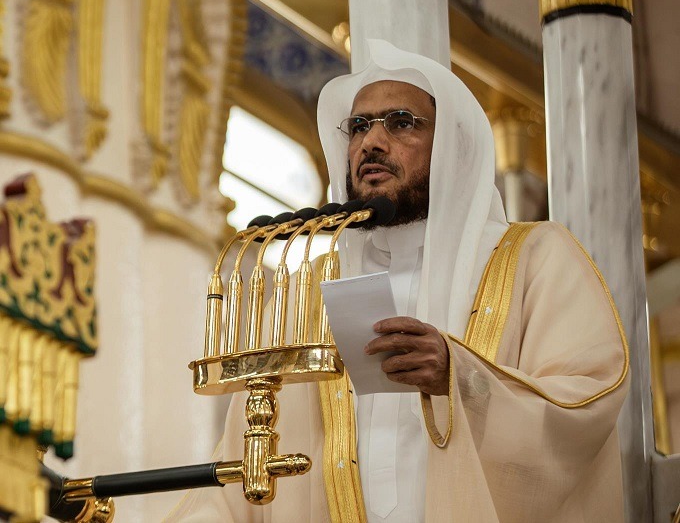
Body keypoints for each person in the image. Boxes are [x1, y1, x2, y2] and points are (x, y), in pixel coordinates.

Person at [166, 40, 628, 523]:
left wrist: (460, 377)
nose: (372, 141)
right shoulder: (307, 292)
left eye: (401, 122)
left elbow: (585, 404)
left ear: (452, 147)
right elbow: (239, 478)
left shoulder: (535, 257)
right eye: (359, 126)